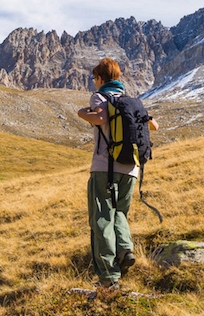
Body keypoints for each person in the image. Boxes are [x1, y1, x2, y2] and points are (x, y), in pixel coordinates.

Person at [77, 57, 158, 289]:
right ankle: (125, 250)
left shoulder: (100, 96)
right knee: (120, 212)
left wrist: (82, 113)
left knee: (101, 218)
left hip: (105, 167)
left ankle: (108, 278)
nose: (94, 82)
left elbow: (100, 117)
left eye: (95, 78)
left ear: (101, 78)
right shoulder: (132, 102)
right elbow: (154, 126)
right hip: (131, 168)